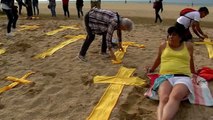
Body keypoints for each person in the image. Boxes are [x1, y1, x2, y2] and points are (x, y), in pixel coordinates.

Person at [147, 26, 195, 120]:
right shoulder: (163, 45)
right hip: (165, 76)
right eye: (169, 34)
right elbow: (158, 59)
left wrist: (194, 72)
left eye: (174, 35)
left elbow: (191, 60)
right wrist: (152, 69)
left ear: (180, 37)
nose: (170, 37)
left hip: (183, 77)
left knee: (175, 96)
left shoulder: (188, 46)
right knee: (164, 98)